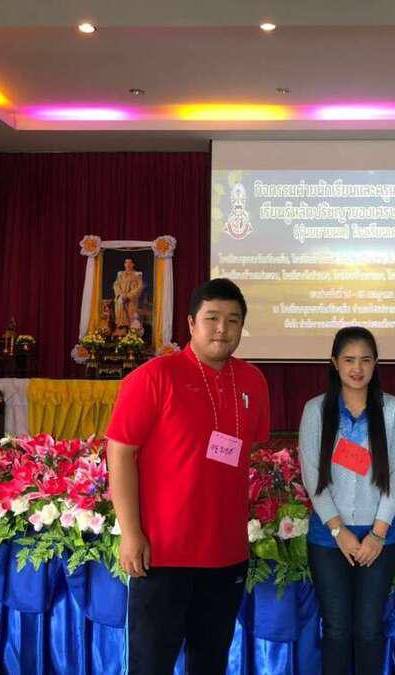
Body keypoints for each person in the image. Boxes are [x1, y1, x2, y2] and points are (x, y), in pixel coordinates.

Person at [107, 278, 270, 675]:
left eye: (233, 320)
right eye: (212, 318)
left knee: (210, 663)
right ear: (191, 323)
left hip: (226, 553)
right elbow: (120, 453)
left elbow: (248, 451)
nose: (222, 329)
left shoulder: (253, 381)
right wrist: (131, 533)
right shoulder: (154, 377)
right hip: (163, 552)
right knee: (151, 665)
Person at [298, 327, 395, 675]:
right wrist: (338, 530)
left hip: (380, 539)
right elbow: (312, 477)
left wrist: (377, 534)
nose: (357, 368)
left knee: (368, 629)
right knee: (336, 628)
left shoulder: (392, 410)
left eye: (365, 360)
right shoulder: (316, 410)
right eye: (349, 360)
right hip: (329, 539)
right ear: (334, 363)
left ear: (375, 363)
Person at [113, 257, 144, 329]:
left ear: (133, 264)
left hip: (131, 300)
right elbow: (116, 285)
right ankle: (121, 331)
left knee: (131, 318)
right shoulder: (120, 275)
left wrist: (128, 296)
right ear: (124, 264)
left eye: (130, 263)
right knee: (120, 318)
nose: (128, 264)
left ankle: (132, 333)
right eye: (126, 263)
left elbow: (139, 288)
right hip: (121, 299)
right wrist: (121, 295)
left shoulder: (137, 275)